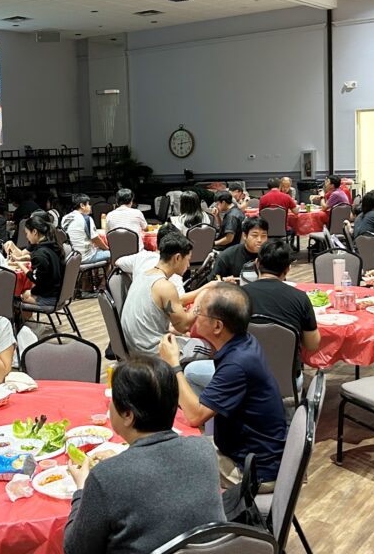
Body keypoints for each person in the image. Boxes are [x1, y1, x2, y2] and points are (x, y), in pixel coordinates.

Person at [63, 356, 225, 554]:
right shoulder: (203, 449)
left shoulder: (105, 476)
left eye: (113, 401)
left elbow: (75, 549)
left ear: (128, 415)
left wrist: (81, 489)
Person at [159, 282, 288, 491]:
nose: (194, 315)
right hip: (255, 454)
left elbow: (194, 417)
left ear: (217, 326)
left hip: (254, 471)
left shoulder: (237, 365)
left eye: (199, 311)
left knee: (169, 462)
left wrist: (173, 364)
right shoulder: (244, 341)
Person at [120, 235, 206, 360]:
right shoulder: (165, 286)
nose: (188, 265)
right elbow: (184, 326)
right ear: (177, 258)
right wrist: (200, 300)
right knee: (210, 347)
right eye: (188, 260)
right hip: (152, 351)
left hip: (134, 346)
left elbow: (175, 302)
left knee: (184, 336)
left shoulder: (144, 275)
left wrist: (203, 289)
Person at [242, 240, 320, 364]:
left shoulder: (238, 295)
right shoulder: (300, 298)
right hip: (287, 373)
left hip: (243, 371)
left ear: (257, 264)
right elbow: (312, 344)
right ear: (288, 268)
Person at [114, 224, 188, 298]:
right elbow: (180, 300)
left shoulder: (141, 256)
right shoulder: (172, 270)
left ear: (156, 242)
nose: (188, 265)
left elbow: (118, 262)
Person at [18, 214, 65, 308]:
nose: (27, 237)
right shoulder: (54, 246)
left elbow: (36, 279)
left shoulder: (39, 254)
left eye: (27, 233)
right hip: (60, 293)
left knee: (19, 296)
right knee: (27, 291)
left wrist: (21, 266)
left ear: (34, 232)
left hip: (50, 298)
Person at [210, 217, 269, 281]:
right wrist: (225, 284)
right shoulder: (227, 256)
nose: (259, 240)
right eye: (255, 235)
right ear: (244, 236)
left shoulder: (271, 255)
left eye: (263, 235)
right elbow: (213, 280)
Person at [61, 194, 110, 265]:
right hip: (85, 257)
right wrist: (106, 248)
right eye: (88, 204)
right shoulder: (86, 219)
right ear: (82, 205)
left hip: (70, 256)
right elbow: (95, 239)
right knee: (111, 253)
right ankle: (105, 273)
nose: (90, 206)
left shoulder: (65, 218)